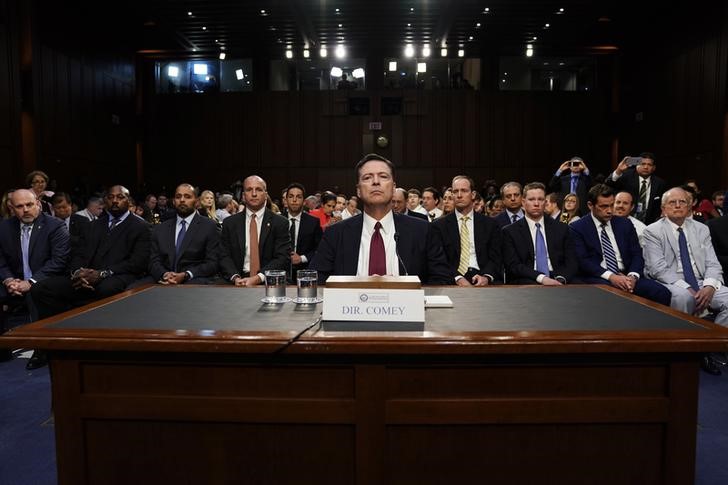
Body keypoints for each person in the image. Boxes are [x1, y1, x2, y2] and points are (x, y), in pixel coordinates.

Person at [310, 153, 450, 284]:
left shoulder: (423, 230)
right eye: (367, 177)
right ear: (358, 190)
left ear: (393, 188)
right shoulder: (335, 233)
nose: (376, 182)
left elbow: (442, 279)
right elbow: (317, 280)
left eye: (383, 176)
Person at [31, 185, 152, 321]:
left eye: (120, 197)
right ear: (105, 201)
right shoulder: (93, 225)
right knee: (40, 289)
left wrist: (102, 273)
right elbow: (78, 253)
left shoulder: (141, 227)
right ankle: (62, 327)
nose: (115, 201)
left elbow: (137, 263)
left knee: (106, 288)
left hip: (118, 275)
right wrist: (78, 273)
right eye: (110, 197)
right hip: (86, 277)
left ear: (129, 201)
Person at [569, 184, 671, 305]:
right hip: (599, 277)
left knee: (661, 292)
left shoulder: (624, 223)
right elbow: (583, 261)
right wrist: (612, 277)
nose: (610, 210)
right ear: (590, 205)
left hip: (627, 274)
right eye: (604, 206)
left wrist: (633, 276)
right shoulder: (577, 227)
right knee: (615, 293)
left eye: (612, 205)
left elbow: (637, 254)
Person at [0, 189, 69, 366]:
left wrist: (30, 282)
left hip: (46, 279)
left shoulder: (55, 225)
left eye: (29, 205)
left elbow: (58, 261)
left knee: (37, 291)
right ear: (11, 208)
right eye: (20, 206)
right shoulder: (5, 227)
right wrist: (9, 280)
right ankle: (2, 347)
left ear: (38, 203)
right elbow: (1, 260)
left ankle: (42, 349)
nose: (25, 210)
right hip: (15, 280)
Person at [643, 187, 727, 325]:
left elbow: (712, 263)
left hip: (700, 279)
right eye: (672, 202)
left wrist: (710, 286)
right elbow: (657, 268)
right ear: (663, 208)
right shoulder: (652, 231)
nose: (677, 205)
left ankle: (713, 339)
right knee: (684, 297)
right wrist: (687, 287)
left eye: (682, 202)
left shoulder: (701, 229)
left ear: (689, 206)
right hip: (670, 280)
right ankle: (681, 341)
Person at [218, 175, 291, 287]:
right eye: (249, 190)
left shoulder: (280, 223)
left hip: (269, 281)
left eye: (258, 189)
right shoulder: (230, 223)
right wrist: (235, 277)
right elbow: (224, 255)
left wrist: (258, 278)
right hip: (236, 281)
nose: (254, 194)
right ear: (243, 196)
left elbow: (282, 258)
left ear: (266, 195)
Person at [431, 175, 502, 286]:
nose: (459, 195)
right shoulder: (439, 225)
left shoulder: (490, 224)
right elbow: (438, 260)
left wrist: (486, 277)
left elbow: (496, 257)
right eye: (455, 191)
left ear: (473, 194)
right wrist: (458, 278)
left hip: (483, 277)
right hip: (451, 279)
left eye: (464, 191)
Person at [502, 182, 577, 285]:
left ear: (545, 202)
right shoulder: (510, 231)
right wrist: (542, 278)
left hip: (559, 279)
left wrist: (561, 279)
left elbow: (571, 261)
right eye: (531, 199)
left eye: (540, 199)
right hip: (527, 280)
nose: (536, 203)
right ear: (523, 203)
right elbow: (514, 266)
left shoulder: (561, 228)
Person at [147, 184, 220, 285]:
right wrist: (164, 274)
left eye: (187, 197)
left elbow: (212, 263)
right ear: (173, 201)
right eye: (178, 197)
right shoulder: (160, 228)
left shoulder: (209, 226)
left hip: (194, 279)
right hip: (163, 279)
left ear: (197, 201)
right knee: (133, 290)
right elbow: (153, 261)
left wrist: (186, 275)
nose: (182, 200)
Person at [606, 153, 668, 224]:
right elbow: (608, 186)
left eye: (649, 165)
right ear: (636, 165)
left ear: (654, 168)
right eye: (643, 164)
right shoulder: (626, 176)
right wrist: (618, 171)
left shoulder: (660, 183)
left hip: (648, 224)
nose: (645, 167)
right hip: (624, 220)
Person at [284, 183, 323, 281]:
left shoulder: (313, 222)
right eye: (291, 196)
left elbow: (319, 249)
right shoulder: (276, 220)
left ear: (304, 201)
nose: (294, 200)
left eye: (299, 197)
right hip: (280, 272)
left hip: (305, 272)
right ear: (286, 200)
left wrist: (301, 258)